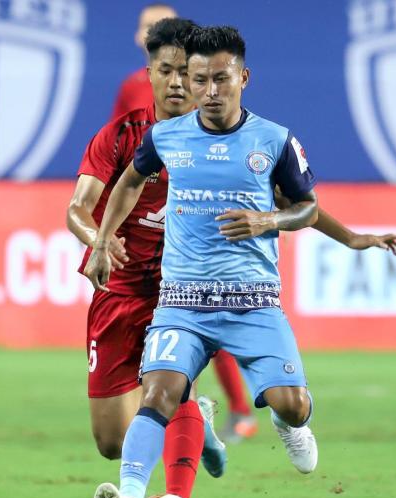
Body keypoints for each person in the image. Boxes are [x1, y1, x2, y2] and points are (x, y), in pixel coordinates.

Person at [84, 24, 396, 498]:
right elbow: (128, 184)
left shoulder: (273, 140)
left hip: (252, 305)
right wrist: (103, 239)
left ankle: (287, 422)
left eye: (222, 79)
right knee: (157, 396)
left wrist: (271, 222)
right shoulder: (165, 137)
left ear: (243, 78)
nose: (210, 91)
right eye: (200, 79)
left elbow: (305, 207)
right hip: (181, 303)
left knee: (290, 403)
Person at [66, 18, 229, 498]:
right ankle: (194, 420)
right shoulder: (120, 137)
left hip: (180, 291)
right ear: (150, 73)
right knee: (111, 441)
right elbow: (77, 210)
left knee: (167, 389)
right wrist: (98, 239)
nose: (178, 82)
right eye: (167, 71)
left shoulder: (221, 142)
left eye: (188, 72)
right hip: (119, 291)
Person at [111, 5, 259, 438]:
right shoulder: (131, 87)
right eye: (142, 26)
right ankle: (182, 414)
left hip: (197, 213)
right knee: (170, 326)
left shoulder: (202, 83)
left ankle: (237, 409)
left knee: (210, 315)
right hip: (150, 218)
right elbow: (122, 149)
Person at [109, 4, 176, 119]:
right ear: (138, 36)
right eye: (150, 26)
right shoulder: (131, 85)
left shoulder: (199, 82)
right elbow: (118, 135)